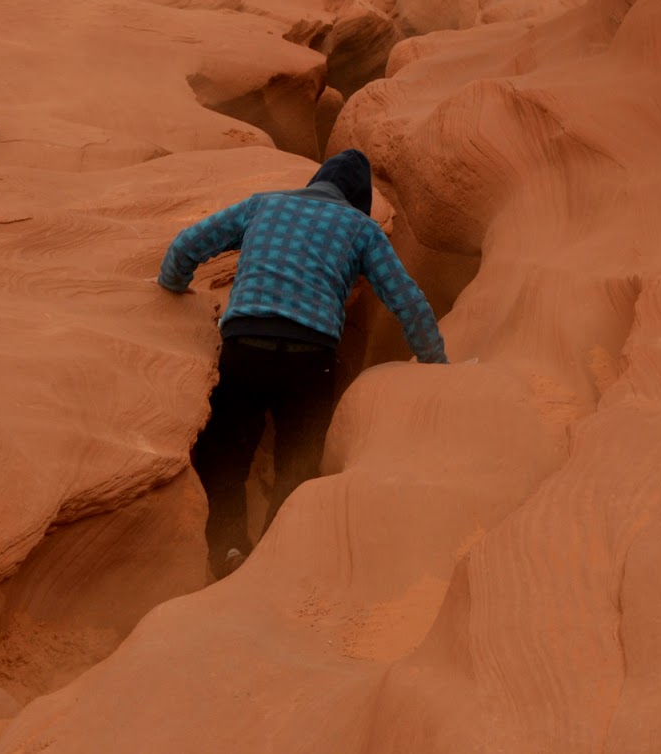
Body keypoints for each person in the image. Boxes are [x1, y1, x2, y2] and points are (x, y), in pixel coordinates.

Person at [157, 148, 448, 578]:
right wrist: (436, 362)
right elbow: (406, 300)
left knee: (225, 457)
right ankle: (278, 563)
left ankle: (229, 548)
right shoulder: (360, 228)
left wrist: (171, 284)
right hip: (311, 359)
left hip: (246, 346)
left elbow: (186, 245)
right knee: (299, 461)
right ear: (356, 199)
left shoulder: (263, 205)